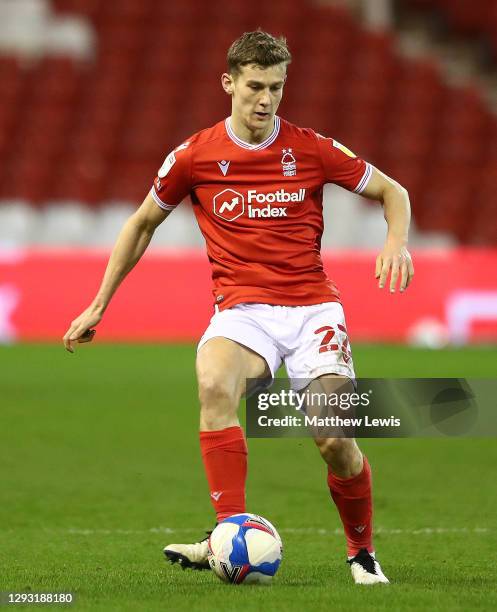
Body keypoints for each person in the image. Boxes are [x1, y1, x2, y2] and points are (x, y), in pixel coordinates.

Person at [63, 30, 413, 585]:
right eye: (255, 86)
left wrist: (394, 243)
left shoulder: (312, 147)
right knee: (213, 386)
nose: (266, 99)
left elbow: (394, 192)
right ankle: (229, 530)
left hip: (312, 311)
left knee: (334, 440)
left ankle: (361, 550)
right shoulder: (195, 154)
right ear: (229, 83)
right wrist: (98, 304)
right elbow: (141, 224)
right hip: (243, 312)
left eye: (276, 87)